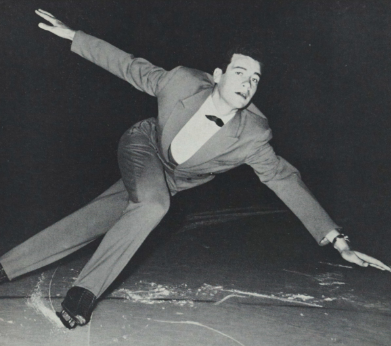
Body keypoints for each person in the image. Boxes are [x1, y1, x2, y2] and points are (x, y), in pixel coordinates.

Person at [0, 9, 389, 329]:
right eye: (240, 73)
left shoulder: (253, 134)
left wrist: (338, 241)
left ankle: (5, 266)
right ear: (218, 76)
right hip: (144, 145)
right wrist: (74, 36)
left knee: (92, 221)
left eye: (255, 79)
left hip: (174, 178)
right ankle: (82, 295)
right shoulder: (182, 82)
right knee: (153, 206)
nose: (248, 84)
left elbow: (285, 179)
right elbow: (128, 66)